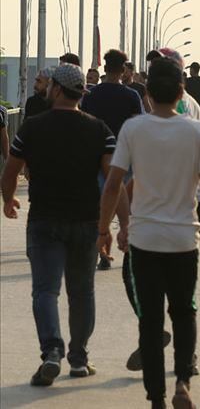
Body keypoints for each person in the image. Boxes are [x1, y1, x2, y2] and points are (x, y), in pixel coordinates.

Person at [97, 57, 200, 409]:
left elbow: (114, 185)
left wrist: (104, 230)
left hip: (144, 241)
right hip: (184, 240)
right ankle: (182, 382)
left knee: (150, 321)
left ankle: (156, 400)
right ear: (181, 91)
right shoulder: (196, 132)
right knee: (185, 311)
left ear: (147, 92)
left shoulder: (133, 130)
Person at [1, 63, 129, 386]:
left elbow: (10, 171)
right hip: (86, 222)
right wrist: (117, 225)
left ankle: (51, 352)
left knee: (45, 290)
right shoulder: (99, 130)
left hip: (44, 220)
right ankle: (79, 359)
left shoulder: (31, 127)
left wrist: (8, 199)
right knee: (82, 292)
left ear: (56, 89)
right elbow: (115, 181)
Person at [81, 49, 144, 270]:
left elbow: (85, 125)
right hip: (124, 157)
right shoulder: (131, 96)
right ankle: (131, 249)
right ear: (123, 70)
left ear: (105, 69)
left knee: (102, 206)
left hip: (97, 157)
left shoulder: (91, 95)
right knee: (128, 206)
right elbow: (138, 127)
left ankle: (103, 253)